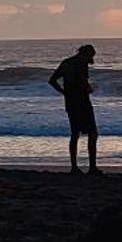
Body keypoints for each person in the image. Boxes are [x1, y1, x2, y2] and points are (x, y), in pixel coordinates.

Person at [49, 44, 100, 174]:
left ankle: (74, 167)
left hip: (70, 102)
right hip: (83, 102)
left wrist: (64, 92)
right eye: (91, 56)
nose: (91, 60)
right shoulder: (81, 64)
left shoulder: (66, 63)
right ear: (86, 54)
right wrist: (88, 89)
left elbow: (52, 80)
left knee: (75, 134)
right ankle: (92, 167)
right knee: (93, 134)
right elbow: (82, 82)